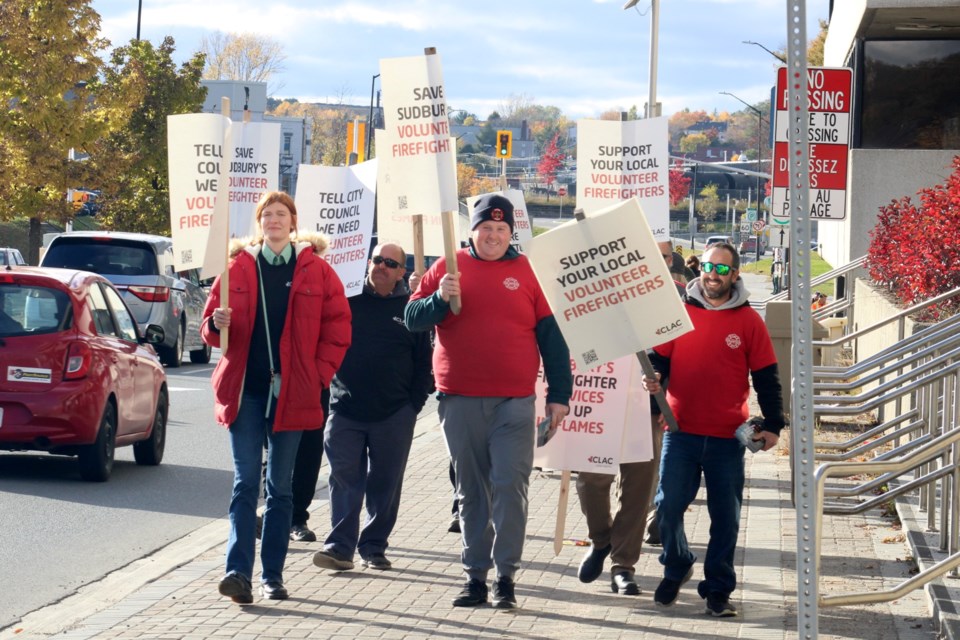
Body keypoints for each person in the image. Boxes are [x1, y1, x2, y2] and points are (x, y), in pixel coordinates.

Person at [405, 193, 573, 610]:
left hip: (513, 402)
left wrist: (559, 396)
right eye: (486, 228)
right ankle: (474, 576)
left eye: (501, 229)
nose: (493, 236)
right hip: (459, 399)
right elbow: (412, 320)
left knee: (509, 487)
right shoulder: (448, 267)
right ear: (472, 231)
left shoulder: (529, 272)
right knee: (471, 492)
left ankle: (506, 577)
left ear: (511, 233)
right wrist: (439, 298)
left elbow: (553, 341)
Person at [202, 191, 351, 604]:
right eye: (266, 214)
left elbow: (338, 329)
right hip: (245, 393)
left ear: (293, 221)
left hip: (294, 394)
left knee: (280, 489)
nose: (273, 220)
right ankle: (237, 573)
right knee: (245, 482)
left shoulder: (317, 271)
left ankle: (272, 576)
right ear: (258, 222)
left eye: (280, 214)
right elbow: (210, 332)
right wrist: (218, 324)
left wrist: (317, 376)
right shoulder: (235, 270)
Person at [642, 242, 785, 618]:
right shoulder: (679, 313)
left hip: (726, 437)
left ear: (735, 275)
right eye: (708, 267)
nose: (713, 275)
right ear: (699, 270)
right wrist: (656, 383)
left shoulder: (749, 321)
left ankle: (718, 588)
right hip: (680, 430)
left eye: (722, 269)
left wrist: (774, 425)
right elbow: (658, 362)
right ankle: (677, 564)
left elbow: (767, 377)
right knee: (667, 507)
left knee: (726, 518)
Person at [312, 243, 433, 572]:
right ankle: (339, 547)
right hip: (345, 409)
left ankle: (374, 546)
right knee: (344, 477)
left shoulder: (411, 308)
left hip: (394, 413)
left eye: (390, 263)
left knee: (385, 482)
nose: (381, 266)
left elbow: (425, 363)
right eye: (377, 259)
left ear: (401, 272)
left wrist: (413, 406)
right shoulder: (346, 300)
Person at [574, 243, 685, 595]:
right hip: (602, 404)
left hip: (647, 410)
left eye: (665, 258)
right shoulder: (594, 298)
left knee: (638, 490)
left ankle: (624, 565)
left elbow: (680, 356)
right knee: (591, 479)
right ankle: (601, 537)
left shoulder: (671, 304)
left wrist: (667, 391)